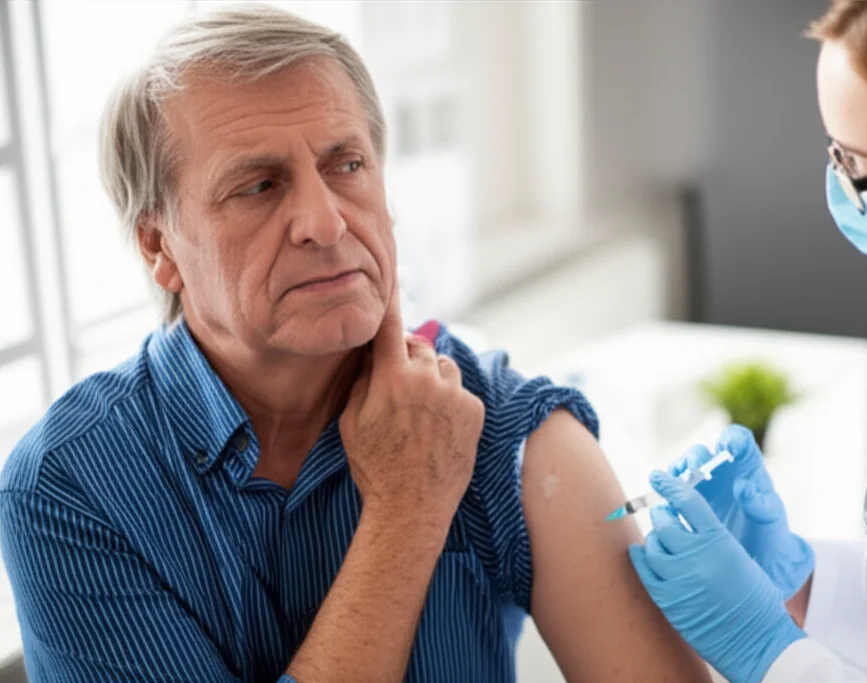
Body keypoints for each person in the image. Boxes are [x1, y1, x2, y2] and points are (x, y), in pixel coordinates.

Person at [0, 6, 711, 682]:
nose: (325, 221)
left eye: (346, 165)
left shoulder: (504, 429)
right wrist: (407, 509)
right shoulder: (69, 488)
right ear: (159, 246)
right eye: (258, 185)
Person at [629, 1, 867, 681]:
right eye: (832, 152)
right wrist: (802, 581)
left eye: (857, 163)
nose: (839, 185)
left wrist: (769, 652)